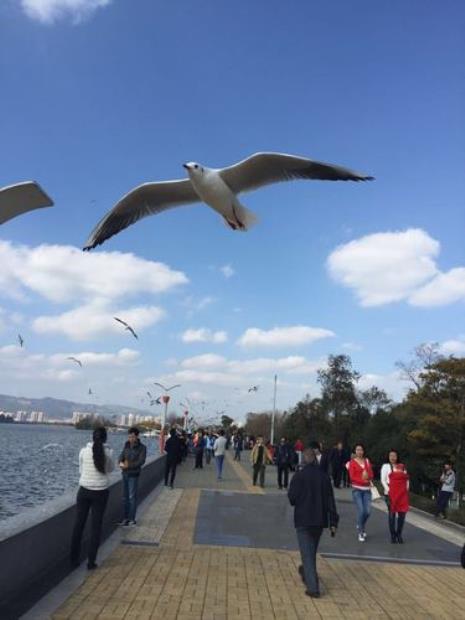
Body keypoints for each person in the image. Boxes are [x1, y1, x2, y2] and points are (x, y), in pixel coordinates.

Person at [288, 448, 339, 598]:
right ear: (315, 460)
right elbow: (331, 502)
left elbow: (292, 499)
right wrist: (333, 521)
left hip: (303, 519)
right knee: (311, 551)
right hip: (319, 520)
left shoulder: (299, 476)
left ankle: (313, 588)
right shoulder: (324, 477)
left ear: (303, 460)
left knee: (307, 554)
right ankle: (306, 571)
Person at [70, 427, 114, 569]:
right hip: (100, 492)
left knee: (79, 525)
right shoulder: (108, 453)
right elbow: (110, 470)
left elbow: (81, 470)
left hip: (84, 491)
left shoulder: (83, 451)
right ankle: (91, 562)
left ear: (92, 437)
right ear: (105, 438)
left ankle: (73, 560)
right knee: (96, 527)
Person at [118, 427, 147, 526]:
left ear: (137, 436)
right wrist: (120, 462)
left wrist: (129, 465)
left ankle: (132, 519)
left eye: (132, 437)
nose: (130, 439)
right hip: (124, 473)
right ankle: (125, 518)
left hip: (133, 475)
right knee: (124, 497)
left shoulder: (142, 448)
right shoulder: (126, 445)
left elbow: (141, 461)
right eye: (129, 436)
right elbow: (121, 456)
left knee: (132, 497)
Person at [346, 443, 374, 542]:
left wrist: (368, 477)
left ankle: (360, 524)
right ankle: (361, 532)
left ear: (363, 451)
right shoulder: (352, 462)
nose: (359, 452)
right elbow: (352, 477)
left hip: (367, 490)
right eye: (357, 450)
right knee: (361, 510)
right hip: (357, 489)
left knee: (367, 512)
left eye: (361, 450)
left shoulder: (367, 461)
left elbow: (371, 474)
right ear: (355, 451)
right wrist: (363, 480)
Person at [381, 450, 409, 543]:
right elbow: (383, 480)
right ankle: (393, 535)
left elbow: (406, 479)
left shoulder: (402, 467)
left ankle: (399, 534)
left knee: (402, 514)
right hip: (389, 493)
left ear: (397, 457)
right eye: (391, 456)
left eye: (394, 456)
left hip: (401, 494)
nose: (393, 457)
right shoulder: (385, 466)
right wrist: (388, 490)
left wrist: (406, 489)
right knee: (392, 514)